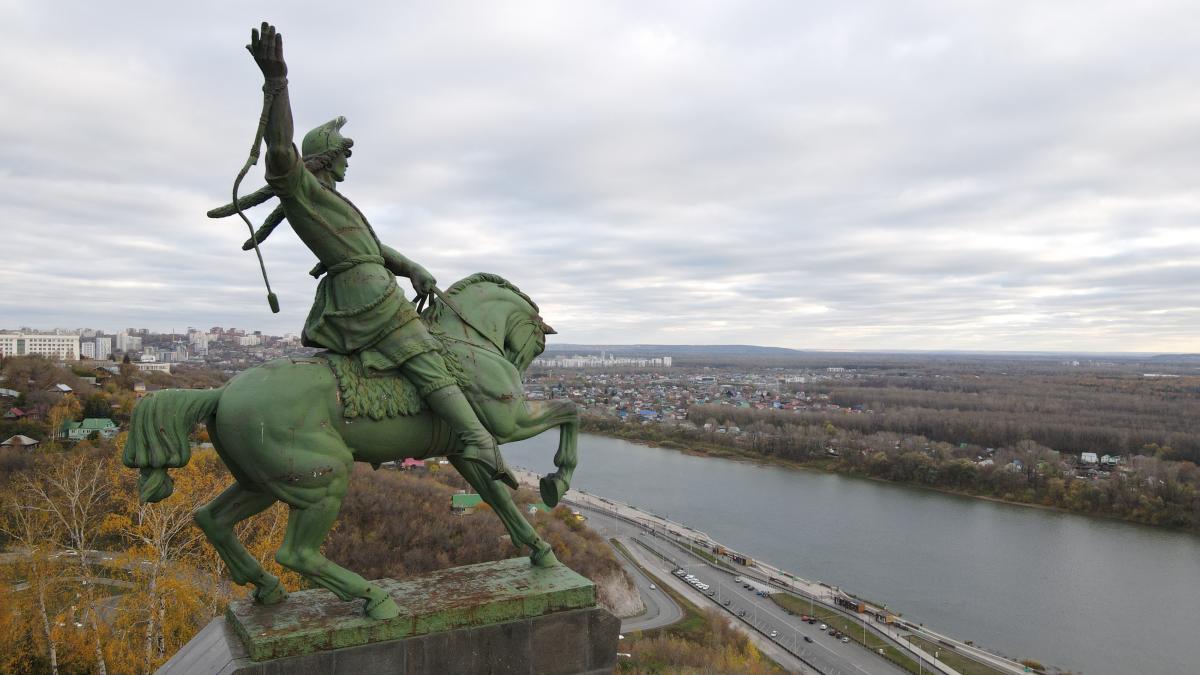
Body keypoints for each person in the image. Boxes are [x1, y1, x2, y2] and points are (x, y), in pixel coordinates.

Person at [244, 22, 515, 488]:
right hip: (364, 294)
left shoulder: (330, 199)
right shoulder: (302, 190)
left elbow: (370, 247)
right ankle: (477, 440)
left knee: (427, 350)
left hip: (369, 284)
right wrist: (277, 82)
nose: (348, 160)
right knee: (424, 353)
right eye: (344, 153)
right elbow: (281, 151)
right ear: (328, 156)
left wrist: (410, 268)